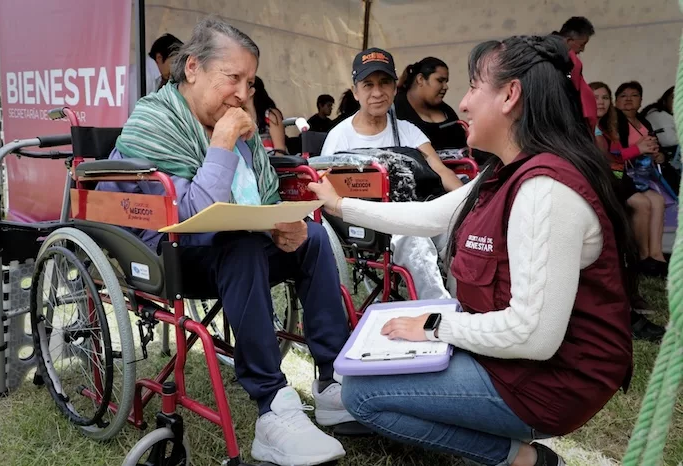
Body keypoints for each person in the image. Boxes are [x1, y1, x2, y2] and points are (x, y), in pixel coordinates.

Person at [310, 34, 635, 466]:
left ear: (509, 95)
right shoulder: (509, 170)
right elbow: (432, 216)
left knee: (362, 395)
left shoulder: (545, 189)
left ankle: (520, 458)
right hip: (516, 363)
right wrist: (339, 204)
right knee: (369, 372)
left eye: (473, 87)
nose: (461, 104)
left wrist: (432, 325)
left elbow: (532, 336)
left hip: (547, 382)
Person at [98, 18, 351, 465]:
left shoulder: (234, 128)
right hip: (162, 252)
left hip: (225, 249)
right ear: (192, 68)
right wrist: (222, 143)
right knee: (242, 244)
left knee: (311, 238)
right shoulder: (154, 122)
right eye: (232, 78)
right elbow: (191, 218)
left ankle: (332, 384)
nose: (242, 93)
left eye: (249, 82)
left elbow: (261, 199)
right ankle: (273, 409)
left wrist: (281, 224)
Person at [321, 47, 463, 301]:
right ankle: (438, 313)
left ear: (395, 88)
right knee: (411, 235)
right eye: (368, 84)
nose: (377, 92)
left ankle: (464, 303)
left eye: (385, 82)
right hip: (365, 222)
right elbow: (324, 188)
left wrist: (467, 202)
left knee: (458, 229)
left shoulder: (409, 132)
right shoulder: (339, 137)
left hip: (417, 211)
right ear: (355, 91)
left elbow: (440, 170)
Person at [590, 81, 667, 341]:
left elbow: (615, 159)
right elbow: (604, 160)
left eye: (604, 98)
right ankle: (641, 262)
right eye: (595, 97)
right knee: (639, 207)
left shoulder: (612, 125)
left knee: (653, 201)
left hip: (618, 181)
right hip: (603, 185)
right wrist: (637, 150)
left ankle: (651, 257)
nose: (600, 102)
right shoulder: (588, 125)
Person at [613, 81, 669, 277]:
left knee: (659, 201)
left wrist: (658, 155)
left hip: (642, 176)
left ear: (641, 100)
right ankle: (642, 256)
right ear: (616, 100)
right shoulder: (614, 121)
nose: (628, 99)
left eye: (634, 95)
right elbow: (612, 155)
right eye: (623, 96)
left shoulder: (644, 122)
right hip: (622, 175)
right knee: (644, 203)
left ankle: (657, 255)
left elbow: (654, 147)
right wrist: (639, 148)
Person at [395, 57, 467, 150]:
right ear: (420, 79)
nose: (446, 87)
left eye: (446, 82)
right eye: (440, 81)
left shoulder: (446, 110)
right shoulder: (395, 108)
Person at [552, 17, 597, 132]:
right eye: (582, 44)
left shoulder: (541, 51)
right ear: (568, 41)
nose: (582, 50)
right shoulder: (569, 60)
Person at [128, 33, 183, 113]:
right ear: (159, 58)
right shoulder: (143, 75)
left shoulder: (155, 76)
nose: (175, 70)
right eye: (174, 63)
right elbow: (134, 113)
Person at [249, 76, 287, 154]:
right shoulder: (237, 115)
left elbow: (280, 150)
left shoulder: (270, 114)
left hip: (273, 163)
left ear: (251, 91)